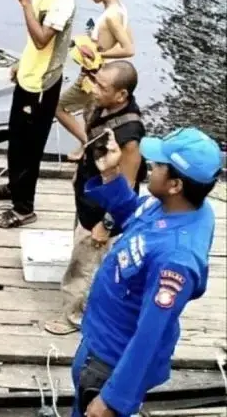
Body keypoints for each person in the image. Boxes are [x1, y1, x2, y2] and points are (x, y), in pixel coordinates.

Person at [71, 127, 220, 417]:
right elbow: (134, 216)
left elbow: (150, 335)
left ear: (175, 184)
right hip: (100, 337)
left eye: (158, 165)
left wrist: (113, 400)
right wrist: (112, 175)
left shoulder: (176, 261)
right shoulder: (177, 206)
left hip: (111, 362)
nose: (150, 167)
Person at [44, 61, 146, 335]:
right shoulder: (104, 104)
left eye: (101, 86)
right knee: (83, 257)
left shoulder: (129, 136)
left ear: (121, 95)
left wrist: (107, 224)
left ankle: (74, 317)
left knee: (86, 267)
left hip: (103, 214)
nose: (95, 89)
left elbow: (127, 186)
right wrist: (81, 81)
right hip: (88, 197)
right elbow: (61, 105)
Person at [0, 0, 76, 229]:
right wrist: (20, 62)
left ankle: (24, 208)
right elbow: (33, 41)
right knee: (16, 138)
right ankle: (15, 188)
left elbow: (42, 39)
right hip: (27, 75)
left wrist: (25, 2)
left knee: (30, 147)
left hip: (42, 86)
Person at [58, 0, 136, 161]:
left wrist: (99, 54)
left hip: (95, 76)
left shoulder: (110, 16)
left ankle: (88, 143)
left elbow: (128, 48)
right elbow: (124, 42)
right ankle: (87, 146)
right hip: (101, 76)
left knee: (59, 107)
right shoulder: (120, 9)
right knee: (89, 113)